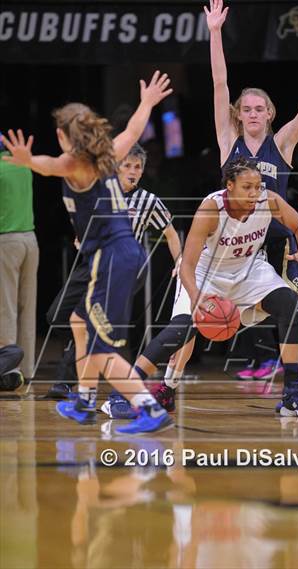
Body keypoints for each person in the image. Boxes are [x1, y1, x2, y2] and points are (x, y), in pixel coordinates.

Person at [152, 1, 298, 416]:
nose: (252, 113)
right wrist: (214, 32)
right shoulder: (226, 139)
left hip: (276, 247)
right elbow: (219, 83)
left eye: (259, 108)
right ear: (238, 114)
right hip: (229, 246)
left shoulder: (282, 142)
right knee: (198, 317)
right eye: (246, 108)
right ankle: (167, 385)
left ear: (270, 114)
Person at [2, 70, 178, 434]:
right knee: (79, 322)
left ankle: (149, 409)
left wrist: (27, 160)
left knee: (103, 349)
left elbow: (48, 167)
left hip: (111, 259)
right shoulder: (109, 153)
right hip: (119, 255)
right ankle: (83, 399)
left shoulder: (75, 163)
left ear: (63, 136)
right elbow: (131, 131)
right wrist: (146, 103)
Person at [123, 157, 298, 424]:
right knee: (181, 329)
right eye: (247, 187)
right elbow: (187, 265)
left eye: (258, 186)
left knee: (290, 305)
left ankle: (293, 395)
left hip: (249, 270)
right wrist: (196, 298)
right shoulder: (211, 208)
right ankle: (124, 392)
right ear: (230, 185)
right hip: (205, 274)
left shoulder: (268, 200)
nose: (254, 193)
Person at [45, 143, 182, 415]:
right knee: (60, 316)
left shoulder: (148, 201)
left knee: (98, 328)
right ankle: (93, 392)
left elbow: (171, 234)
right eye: (127, 165)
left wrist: (180, 261)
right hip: (93, 264)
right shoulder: (101, 192)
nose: (132, 171)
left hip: (124, 270)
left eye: (137, 167)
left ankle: (102, 395)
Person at [0, 133, 39, 381]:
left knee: (5, 306)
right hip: (30, 240)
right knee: (28, 306)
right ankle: (27, 369)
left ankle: (8, 369)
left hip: (7, 240)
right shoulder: (24, 167)